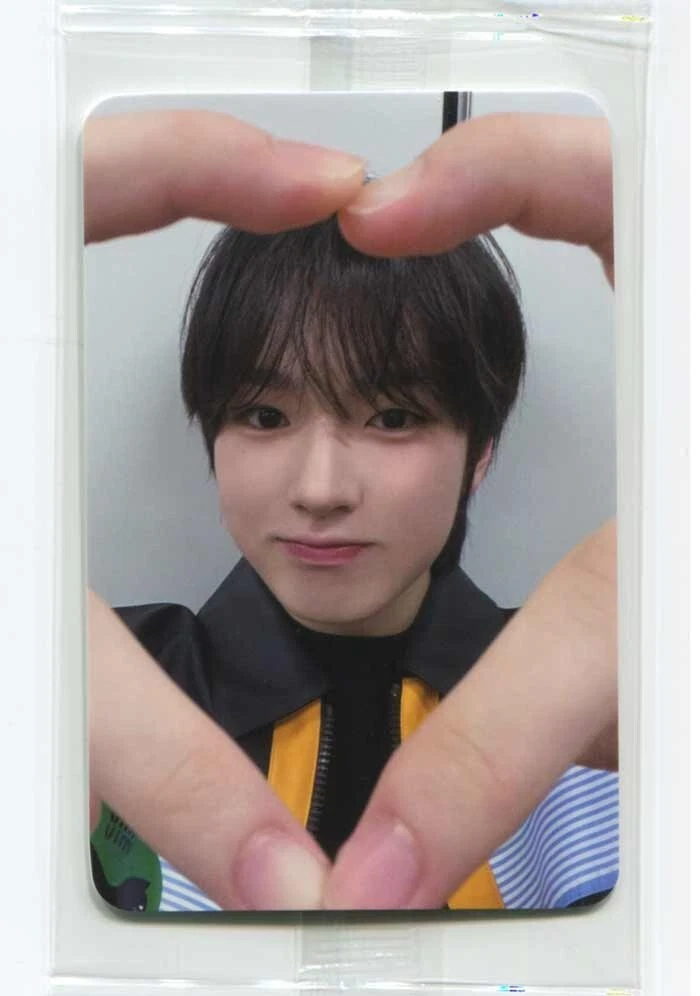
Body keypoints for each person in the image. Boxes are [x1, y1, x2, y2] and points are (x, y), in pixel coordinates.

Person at [87, 110, 617, 912]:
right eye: (265, 416)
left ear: (480, 451)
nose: (321, 488)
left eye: (393, 418)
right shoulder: (87, 689)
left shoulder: (608, 718)